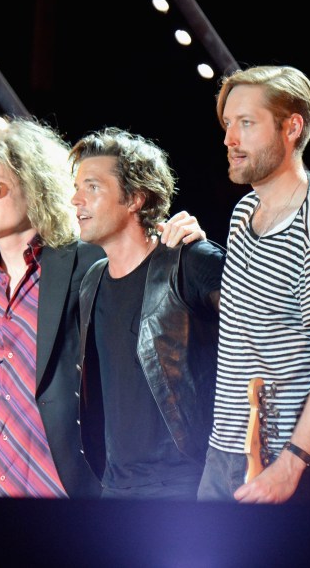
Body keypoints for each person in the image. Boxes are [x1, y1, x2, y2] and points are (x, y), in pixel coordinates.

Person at [0, 119, 204, 517]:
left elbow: (146, 270)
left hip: (71, 492)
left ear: (34, 185)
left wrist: (178, 237)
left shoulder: (87, 263)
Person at [197, 65, 310, 506]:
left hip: (292, 463)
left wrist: (292, 463)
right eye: (228, 124)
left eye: (246, 124)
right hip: (228, 451)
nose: (229, 139)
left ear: (292, 127)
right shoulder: (243, 212)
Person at [71, 127, 224, 500]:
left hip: (182, 486)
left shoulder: (190, 261)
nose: (76, 200)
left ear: (135, 198)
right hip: (113, 486)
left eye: (92, 187)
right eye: (76, 188)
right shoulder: (92, 281)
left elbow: (259, 335)